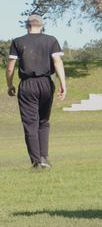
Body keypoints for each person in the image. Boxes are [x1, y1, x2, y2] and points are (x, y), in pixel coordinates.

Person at [6, 15, 67, 169]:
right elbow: (57, 61)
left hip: (27, 85)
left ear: (27, 26)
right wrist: (63, 83)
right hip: (46, 83)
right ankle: (44, 158)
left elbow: (10, 67)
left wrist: (10, 85)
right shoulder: (51, 40)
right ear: (42, 25)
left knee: (30, 123)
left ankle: (36, 162)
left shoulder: (18, 41)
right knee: (43, 121)